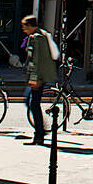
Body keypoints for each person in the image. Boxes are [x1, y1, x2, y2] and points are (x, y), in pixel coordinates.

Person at [21, 14, 57, 146]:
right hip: (37, 77)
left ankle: (39, 134)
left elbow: (37, 60)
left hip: (38, 77)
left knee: (33, 104)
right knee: (30, 102)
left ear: (30, 26)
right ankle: (40, 130)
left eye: (25, 27)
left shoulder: (37, 38)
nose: (24, 30)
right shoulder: (38, 35)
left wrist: (36, 79)